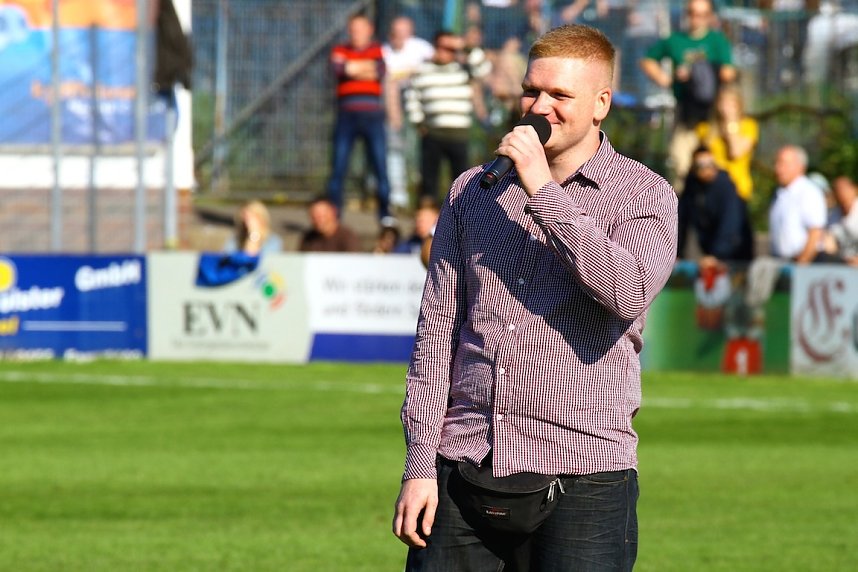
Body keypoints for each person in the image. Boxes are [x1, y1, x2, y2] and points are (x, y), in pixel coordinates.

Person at [392, 23, 678, 570]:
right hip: (464, 463)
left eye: (560, 95)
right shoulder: (473, 190)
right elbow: (436, 336)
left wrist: (542, 190)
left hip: (585, 471)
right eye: (531, 90)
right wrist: (420, 466)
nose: (539, 107)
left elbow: (627, 293)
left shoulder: (645, 195)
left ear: (601, 104)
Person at [640, 0, 737, 192]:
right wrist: (666, 79)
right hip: (686, 112)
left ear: (709, 16)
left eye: (702, 14)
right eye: (692, 13)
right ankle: (682, 204)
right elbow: (648, 60)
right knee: (680, 161)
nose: (696, 18)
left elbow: (729, 72)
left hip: (712, 112)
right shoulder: (675, 40)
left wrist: (702, 72)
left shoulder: (717, 41)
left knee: (717, 162)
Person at [406, 30, 488, 204]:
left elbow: (484, 67)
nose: (445, 51)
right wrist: (418, 122)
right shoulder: (423, 70)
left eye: (450, 48)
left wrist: (464, 46)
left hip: (459, 135)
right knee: (428, 182)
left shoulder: (463, 70)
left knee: (461, 182)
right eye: (441, 47)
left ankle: (461, 213)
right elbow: (412, 97)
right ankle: (428, 214)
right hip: (432, 134)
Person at [326, 13, 393, 224]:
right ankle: (334, 214)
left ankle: (385, 215)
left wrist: (353, 67)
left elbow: (380, 70)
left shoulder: (377, 50)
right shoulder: (340, 49)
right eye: (353, 29)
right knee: (338, 166)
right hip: (346, 116)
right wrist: (366, 67)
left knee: (380, 165)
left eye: (360, 29)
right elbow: (339, 69)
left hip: (373, 116)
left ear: (369, 30)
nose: (356, 34)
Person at [383, 15, 436, 211]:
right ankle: (398, 194)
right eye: (396, 32)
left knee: (416, 150)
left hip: (420, 107)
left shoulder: (422, 48)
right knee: (394, 148)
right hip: (394, 108)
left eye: (403, 32)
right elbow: (388, 82)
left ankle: (418, 193)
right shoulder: (385, 52)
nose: (399, 36)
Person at [678, 146, 754, 265]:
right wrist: (677, 252)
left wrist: (717, 254)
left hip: (734, 256)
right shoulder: (692, 187)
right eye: (700, 165)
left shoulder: (725, 185)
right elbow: (681, 220)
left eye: (710, 164)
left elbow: (730, 223)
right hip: (710, 253)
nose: (706, 169)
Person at [695, 84, 759, 202]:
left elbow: (735, 152)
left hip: (736, 187)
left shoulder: (748, 126)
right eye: (723, 102)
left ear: (739, 105)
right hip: (711, 186)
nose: (726, 107)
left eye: (731, 103)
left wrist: (731, 125)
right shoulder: (706, 129)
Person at [768, 145, 827, 264]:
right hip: (781, 263)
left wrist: (801, 264)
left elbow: (815, 231)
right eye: (777, 163)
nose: (778, 168)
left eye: (783, 163)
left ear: (800, 166)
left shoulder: (808, 192)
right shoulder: (779, 194)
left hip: (803, 264)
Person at [820, 175, 858, 265]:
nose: (841, 193)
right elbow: (830, 245)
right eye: (837, 190)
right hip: (843, 265)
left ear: (854, 189)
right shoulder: (832, 216)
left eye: (844, 189)